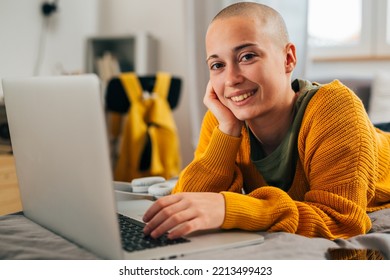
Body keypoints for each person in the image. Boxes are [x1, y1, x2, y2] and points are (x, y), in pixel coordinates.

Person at [142, 2, 390, 240]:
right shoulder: (225, 118)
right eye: (217, 64)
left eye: (247, 56)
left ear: (288, 59)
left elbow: (342, 221)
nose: (231, 79)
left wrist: (232, 208)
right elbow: (187, 205)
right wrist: (227, 131)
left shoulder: (334, 107)